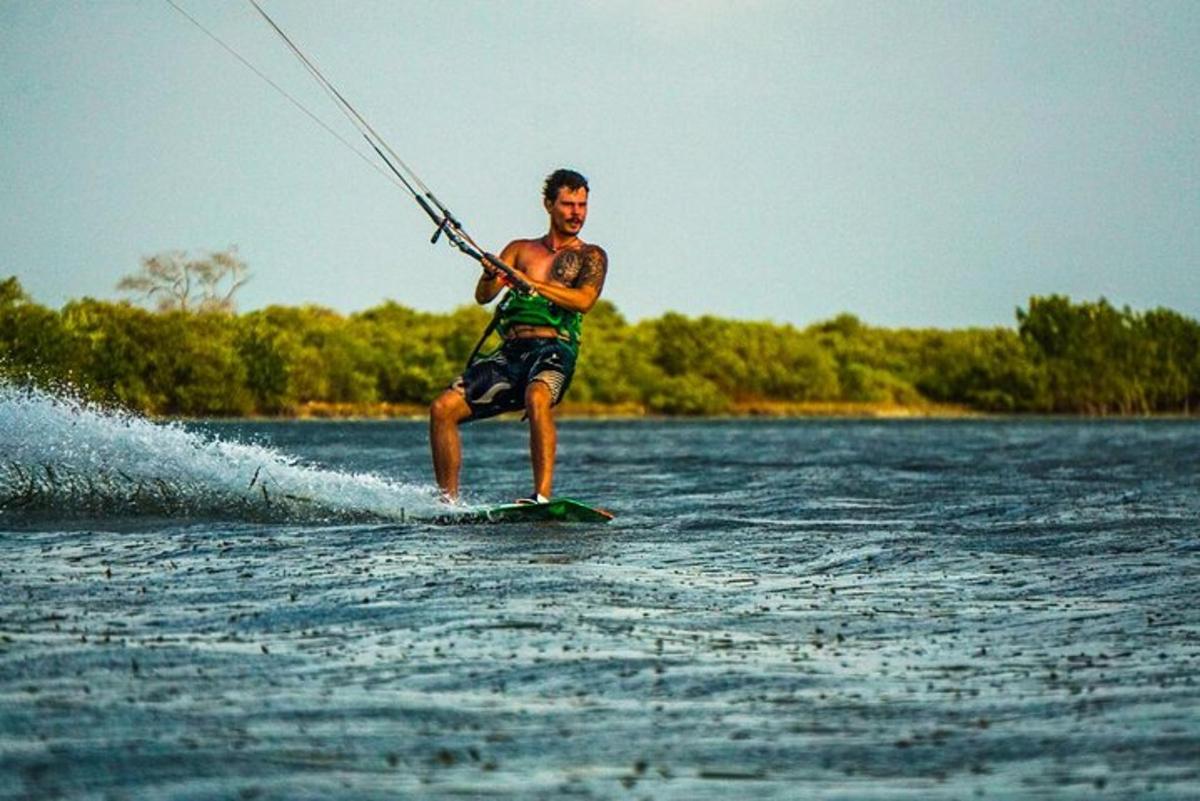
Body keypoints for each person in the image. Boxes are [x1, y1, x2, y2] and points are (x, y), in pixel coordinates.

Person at [429, 169, 608, 503]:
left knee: (537, 397)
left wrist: (534, 284)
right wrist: (489, 273)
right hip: (511, 352)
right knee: (442, 408)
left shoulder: (591, 256)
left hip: (554, 349)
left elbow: (583, 301)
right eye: (568, 204)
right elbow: (484, 296)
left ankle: (541, 497)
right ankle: (448, 503)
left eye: (582, 205)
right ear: (548, 205)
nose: (576, 213)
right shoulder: (519, 250)